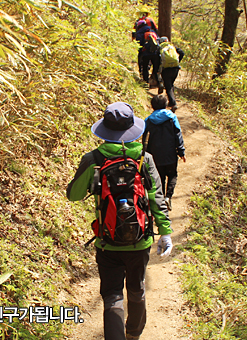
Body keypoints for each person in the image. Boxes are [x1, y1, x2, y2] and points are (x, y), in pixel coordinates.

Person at [66, 102, 173, 340]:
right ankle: (133, 334)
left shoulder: (93, 158)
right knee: (136, 289)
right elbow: (157, 197)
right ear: (131, 128)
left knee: (112, 295)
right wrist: (165, 232)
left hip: (107, 241)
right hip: (140, 241)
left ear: (105, 129)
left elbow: (73, 195)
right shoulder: (145, 158)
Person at [143, 95, 186, 211]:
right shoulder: (172, 117)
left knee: (160, 177)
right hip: (170, 153)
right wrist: (181, 151)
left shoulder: (148, 120)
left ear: (152, 106)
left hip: (155, 155)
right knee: (172, 175)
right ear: (166, 105)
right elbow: (178, 134)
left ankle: (161, 201)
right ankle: (168, 197)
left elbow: (145, 139)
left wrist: (145, 155)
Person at [158, 37, 185, 110]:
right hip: (175, 68)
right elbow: (182, 53)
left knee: (168, 86)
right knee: (170, 84)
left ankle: (173, 103)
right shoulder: (173, 47)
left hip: (166, 69)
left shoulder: (160, 48)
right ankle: (171, 101)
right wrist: (178, 62)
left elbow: (157, 59)